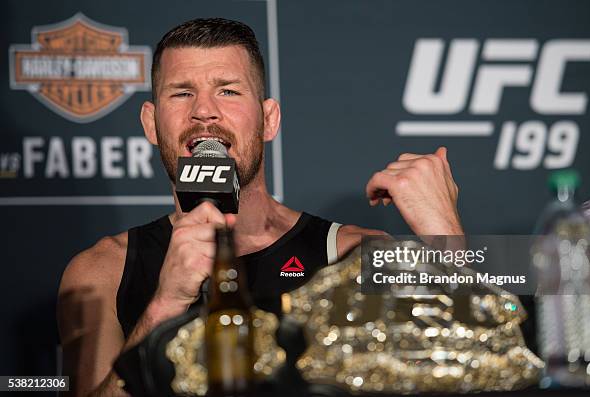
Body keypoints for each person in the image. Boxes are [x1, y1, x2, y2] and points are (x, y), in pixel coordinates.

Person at [56, 18, 463, 396]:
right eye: (182, 92)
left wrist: (446, 237)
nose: (203, 111)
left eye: (228, 90)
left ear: (269, 120)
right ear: (150, 123)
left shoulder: (354, 254)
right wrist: (164, 305)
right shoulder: (100, 272)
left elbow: (466, 370)